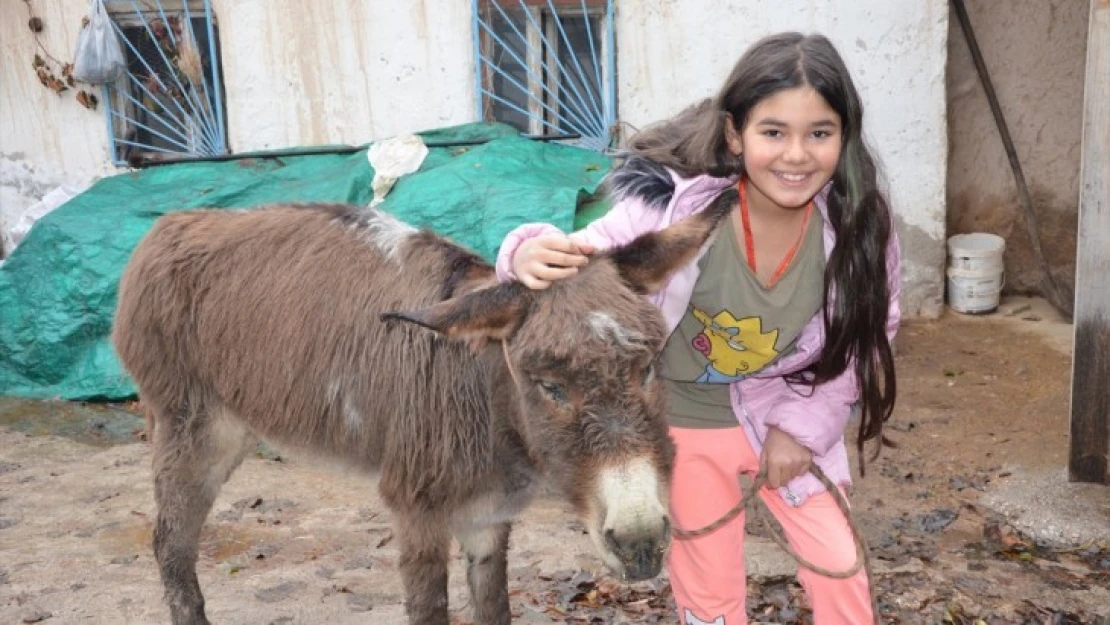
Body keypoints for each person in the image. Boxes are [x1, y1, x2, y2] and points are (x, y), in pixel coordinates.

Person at [495, 31, 901, 624]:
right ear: (735, 134)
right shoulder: (671, 212)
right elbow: (574, 259)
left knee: (840, 566)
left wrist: (805, 427)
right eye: (773, 132)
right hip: (682, 423)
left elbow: (871, 334)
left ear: (845, 135)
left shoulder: (860, 226)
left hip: (787, 415)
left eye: (820, 132)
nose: (796, 155)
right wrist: (524, 252)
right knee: (708, 589)